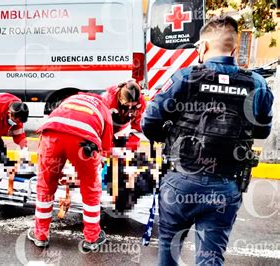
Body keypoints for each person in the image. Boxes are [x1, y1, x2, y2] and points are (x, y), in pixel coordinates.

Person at [142, 16, 274, 265]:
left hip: (180, 181)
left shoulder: (184, 77)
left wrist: (168, 135)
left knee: (168, 254)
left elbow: (149, 121)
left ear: (202, 47)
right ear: (235, 49)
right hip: (225, 186)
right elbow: (262, 131)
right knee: (210, 259)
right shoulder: (257, 84)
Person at [26, 92, 113, 251]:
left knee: (45, 186)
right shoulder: (104, 109)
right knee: (91, 189)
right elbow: (106, 148)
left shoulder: (71, 99)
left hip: (52, 134)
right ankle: (92, 238)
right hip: (83, 143)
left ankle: (40, 235)